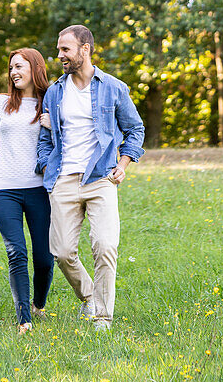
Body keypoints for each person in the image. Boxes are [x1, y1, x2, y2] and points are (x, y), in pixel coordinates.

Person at [37, 24, 145, 332]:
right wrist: (47, 167)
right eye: (59, 50)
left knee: (105, 245)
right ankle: (89, 297)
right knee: (61, 251)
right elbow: (46, 139)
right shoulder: (55, 92)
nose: (60, 55)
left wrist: (123, 164)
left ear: (85, 49)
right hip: (63, 180)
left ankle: (102, 319)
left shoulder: (112, 87)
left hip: (101, 179)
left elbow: (135, 129)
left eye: (66, 49)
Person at [0, 47, 55, 334]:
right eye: (11, 67)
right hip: (5, 189)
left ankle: (38, 303)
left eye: (19, 66)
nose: (14, 72)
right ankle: (24, 318)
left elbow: (67, 139)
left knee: (45, 259)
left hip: (39, 190)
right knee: (16, 252)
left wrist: (53, 125)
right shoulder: (0, 103)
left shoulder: (50, 102)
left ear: (35, 68)